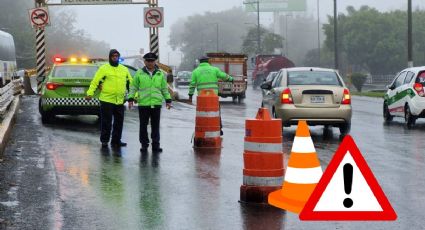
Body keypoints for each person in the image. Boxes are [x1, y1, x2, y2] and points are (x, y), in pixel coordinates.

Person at [86, 49, 132, 148]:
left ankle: (116, 140)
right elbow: (95, 81)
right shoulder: (104, 68)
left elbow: (130, 83)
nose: (115, 58)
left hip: (119, 100)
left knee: (119, 122)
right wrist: (90, 93)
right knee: (106, 122)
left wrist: (133, 96)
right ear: (110, 57)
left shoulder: (124, 69)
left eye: (117, 56)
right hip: (107, 100)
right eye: (113, 56)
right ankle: (105, 140)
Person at [128, 52, 172, 153]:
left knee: (155, 126)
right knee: (143, 126)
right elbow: (133, 87)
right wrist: (130, 99)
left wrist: (168, 100)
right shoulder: (139, 73)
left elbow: (164, 89)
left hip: (156, 104)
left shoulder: (160, 73)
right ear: (145, 61)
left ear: (155, 61)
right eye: (148, 61)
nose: (150, 63)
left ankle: (156, 145)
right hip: (143, 104)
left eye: (152, 61)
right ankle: (144, 145)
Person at [188, 56, 233, 135]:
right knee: (216, 113)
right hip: (213, 97)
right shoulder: (214, 69)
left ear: (200, 62)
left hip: (202, 98)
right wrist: (231, 79)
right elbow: (223, 76)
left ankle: (202, 128)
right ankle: (219, 129)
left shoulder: (195, 71)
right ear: (208, 62)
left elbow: (192, 84)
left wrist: (190, 96)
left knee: (202, 113)